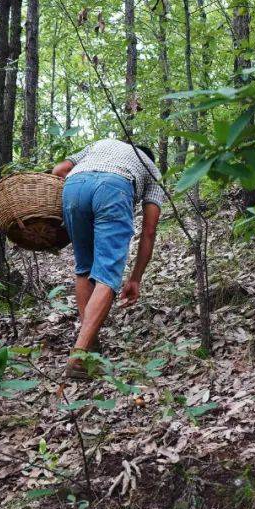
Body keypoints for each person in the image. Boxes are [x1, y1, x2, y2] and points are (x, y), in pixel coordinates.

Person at [51, 138, 164, 380]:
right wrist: (135, 278)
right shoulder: (152, 169)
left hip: (74, 186)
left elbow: (59, 171)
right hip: (114, 188)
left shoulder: (100, 144)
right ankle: (80, 355)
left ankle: (90, 347)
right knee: (107, 276)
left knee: (84, 269)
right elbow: (150, 230)